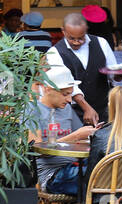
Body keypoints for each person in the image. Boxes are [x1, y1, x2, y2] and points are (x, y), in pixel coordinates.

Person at [28, 65, 97, 197]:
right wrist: (74, 136)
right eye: (65, 94)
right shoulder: (32, 110)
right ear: (47, 89)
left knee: (106, 168)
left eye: (71, 94)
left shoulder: (66, 109)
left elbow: (82, 139)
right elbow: (35, 150)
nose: (69, 99)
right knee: (100, 176)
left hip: (75, 165)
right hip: (52, 174)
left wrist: (90, 133)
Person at [44, 11, 115, 124]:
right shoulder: (55, 52)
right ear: (63, 31)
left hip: (103, 107)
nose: (76, 42)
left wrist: (119, 75)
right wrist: (86, 108)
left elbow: (112, 72)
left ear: (86, 29)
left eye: (81, 38)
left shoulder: (101, 43)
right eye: (72, 38)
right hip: (72, 112)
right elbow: (67, 83)